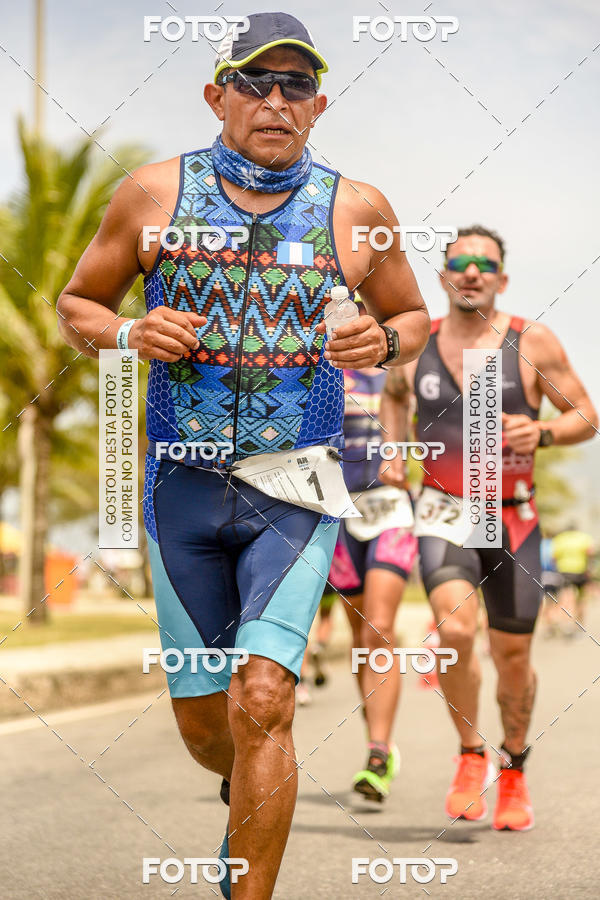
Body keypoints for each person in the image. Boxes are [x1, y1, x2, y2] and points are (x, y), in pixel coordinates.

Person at [57, 12, 429, 897]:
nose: (274, 100)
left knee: (265, 697)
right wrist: (129, 329)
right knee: (208, 728)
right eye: (255, 83)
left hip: (295, 488)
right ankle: (238, 785)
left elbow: (410, 318)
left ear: (319, 105)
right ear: (217, 94)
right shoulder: (150, 195)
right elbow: (78, 302)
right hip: (180, 492)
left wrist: (380, 344)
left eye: (294, 85)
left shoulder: (357, 209)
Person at [383, 225, 597, 831]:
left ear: (501, 278)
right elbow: (394, 395)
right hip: (447, 509)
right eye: (460, 262)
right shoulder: (415, 342)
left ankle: (515, 767)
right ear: (444, 274)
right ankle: (471, 755)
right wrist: (394, 449)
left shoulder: (533, 342)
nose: (472, 271)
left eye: (485, 264)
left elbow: (585, 413)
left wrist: (546, 432)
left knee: (512, 657)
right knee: (454, 630)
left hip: (513, 516)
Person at [327, 359, 417, 803]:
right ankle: (377, 737)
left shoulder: (400, 361)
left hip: (389, 508)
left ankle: (378, 753)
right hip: (334, 512)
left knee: (380, 627)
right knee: (361, 635)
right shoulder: (308, 360)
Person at [552, 526, 594, 635]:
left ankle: (564, 624)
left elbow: (554, 557)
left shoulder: (560, 538)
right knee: (580, 600)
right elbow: (590, 554)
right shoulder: (584, 537)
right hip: (581, 572)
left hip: (564, 572)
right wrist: (589, 569)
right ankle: (579, 625)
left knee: (565, 598)